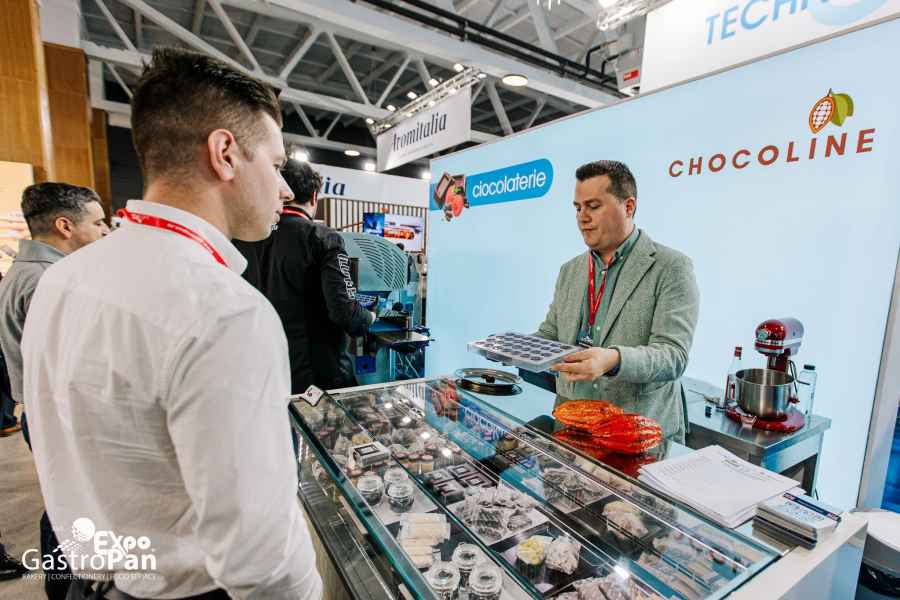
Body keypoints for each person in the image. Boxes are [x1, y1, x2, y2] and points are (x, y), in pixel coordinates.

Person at [21, 48, 322, 600]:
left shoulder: (62, 279)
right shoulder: (225, 310)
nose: (284, 190)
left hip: (90, 580)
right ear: (225, 154)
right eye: (276, 165)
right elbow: (261, 560)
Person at [0, 182, 109, 599]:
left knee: (64, 502)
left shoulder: (27, 272)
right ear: (65, 225)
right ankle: (67, 590)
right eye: (97, 223)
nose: (104, 231)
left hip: (43, 411)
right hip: (62, 414)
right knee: (72, 509)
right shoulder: (49, 280)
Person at [539, 160, 700, 442]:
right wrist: (512, 347)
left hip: (637, 436)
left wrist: (613, 360)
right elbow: (551, 334)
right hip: (572, 429)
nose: (582, 217)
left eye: (593, 206)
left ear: (628, 207)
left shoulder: (671, 267)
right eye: (577, 208)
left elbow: (673, 356)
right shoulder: (570, 270)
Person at [235, 160, 374, 394]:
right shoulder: (324, 238)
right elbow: (346, 313)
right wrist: (369, 316)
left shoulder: (246, 238)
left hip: (264, 375)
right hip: (317, 380)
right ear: (314, 197)